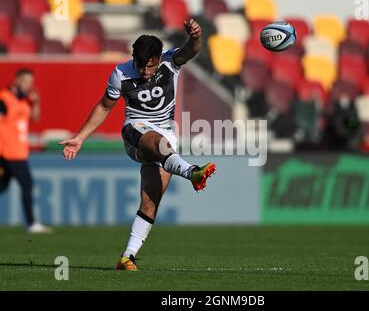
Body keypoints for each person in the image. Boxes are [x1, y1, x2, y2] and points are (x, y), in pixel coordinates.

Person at [59, 19, 216, 271]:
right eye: (141, 65)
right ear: (134, 58)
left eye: (150, 66)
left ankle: (127, 257)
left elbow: (191, 50)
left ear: (158, 58)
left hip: (166, 138)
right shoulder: (121, 74)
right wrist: (80, 137)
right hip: (135, 133)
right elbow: (104, 106)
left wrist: (196, 35)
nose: (145, 71)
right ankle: (192, 171)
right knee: (158, 141)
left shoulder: (169, 62)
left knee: (151, 200)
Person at [0, 69, 51, 233]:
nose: (30, 86)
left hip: (18, 152)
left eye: (31, 83)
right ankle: (31, 223)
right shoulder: (4, 99)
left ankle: (31, 223)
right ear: (17, 81)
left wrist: (36, 103)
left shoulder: (23, 102)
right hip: (8, 153)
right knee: (27, 185)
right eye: (26, 82)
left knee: (2, 186)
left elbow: (34, 119)